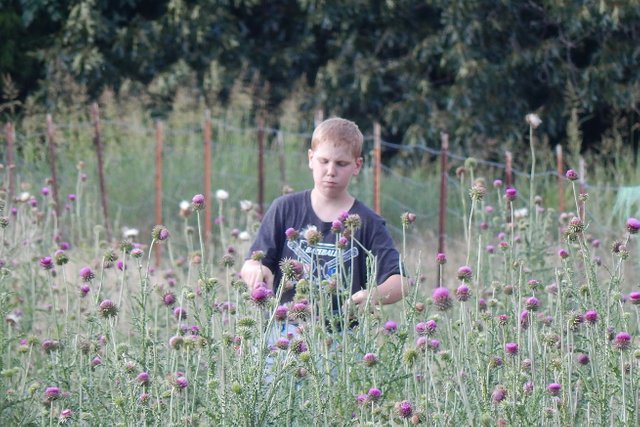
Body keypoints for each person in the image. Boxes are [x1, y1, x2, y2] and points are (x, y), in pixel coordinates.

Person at [240, 117, 407, 311]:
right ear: (311, 159)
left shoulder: (367, 222)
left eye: (341, 163)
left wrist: (372, 295)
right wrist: (255, 270)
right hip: (284, 332)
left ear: (357, 166)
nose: (331, 171)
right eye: (324, 161)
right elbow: (252, 263)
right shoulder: (284, 209)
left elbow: (401, 281)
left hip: (343, 334)